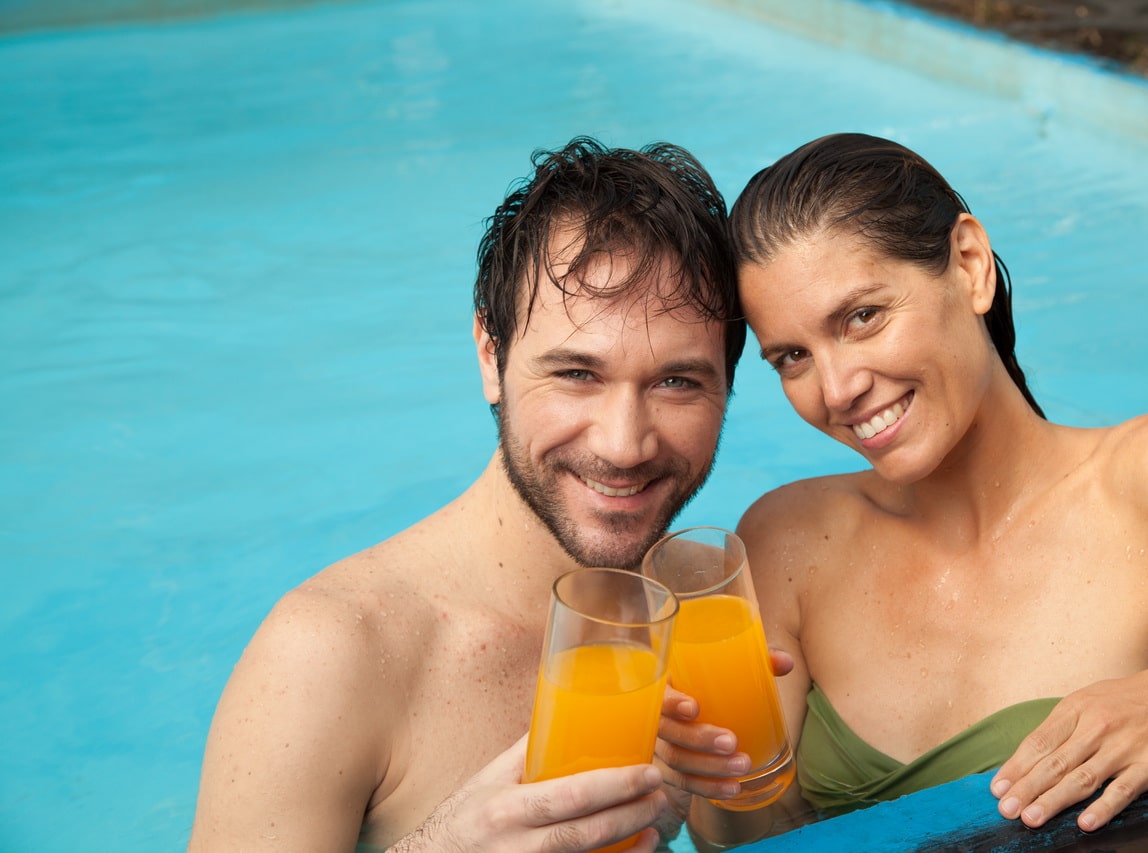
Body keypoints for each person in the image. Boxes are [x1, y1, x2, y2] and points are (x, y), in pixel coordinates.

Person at [658, 132, 1148, 844]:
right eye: (793, 357)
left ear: (970, 265)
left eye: (862, 317)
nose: (838, 389)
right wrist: (709, 763)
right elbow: (747, 839)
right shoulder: (787, 540)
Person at [188, 136, 746, 852]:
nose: (624, 444)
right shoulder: (327, 653)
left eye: (676, 381)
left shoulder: (692, 628)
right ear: (492, 355)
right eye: (577, 373)